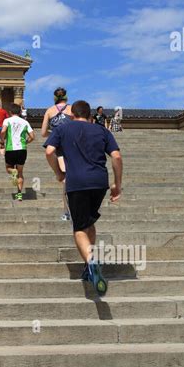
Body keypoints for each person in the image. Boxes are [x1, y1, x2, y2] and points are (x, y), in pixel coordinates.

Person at [44, 99, 123, 297]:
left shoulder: (63, 129)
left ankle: (91, 260)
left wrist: (59, 173)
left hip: (77, 182)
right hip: (99, 182)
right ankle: (89, 266)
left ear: (72, 115)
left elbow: (49, 151)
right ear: (90, 116)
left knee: (79, 228)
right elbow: (117, 157)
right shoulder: (102, 130)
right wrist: (117, 185)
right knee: (89, 221)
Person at [41, 87, 73, 221]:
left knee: (65, 180)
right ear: (66, 97)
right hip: (73, 145)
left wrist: (54, 135)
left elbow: (43, 133)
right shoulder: (72, 109)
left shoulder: (49, 110)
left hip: (59, 148)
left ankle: (67, 212)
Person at [0, 103, 35, 201]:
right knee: (20, 172)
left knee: (8, 168)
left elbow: (3, 131)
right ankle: (19, 194)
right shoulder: (25, 122)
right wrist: (26, 142)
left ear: (10, 112)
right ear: (20, 112)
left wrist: (2, 141)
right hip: (22, 149)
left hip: (11, 149)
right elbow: (33, 136)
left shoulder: (7, 120)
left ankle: (12, 171)